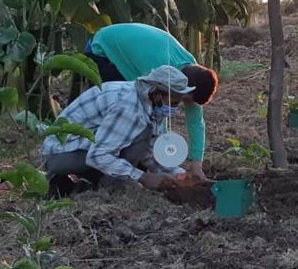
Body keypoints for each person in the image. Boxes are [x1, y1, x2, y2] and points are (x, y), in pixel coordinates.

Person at [84, 23, 218, 184]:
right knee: (128, 113)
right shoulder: (157, 69)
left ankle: (135, 162)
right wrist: (163, 164)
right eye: (185, 99)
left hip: (138, 46)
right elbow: (154, 115)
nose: (184, 104)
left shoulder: (194, 74)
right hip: (103, 48)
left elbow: (196, 122)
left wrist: (197, 165)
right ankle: (112, 169)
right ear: (183, 87)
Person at [42, 66, 193, 195]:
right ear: (157, 94)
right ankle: (112, 187)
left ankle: (69, 186)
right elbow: (97, 156)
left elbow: (149, 150)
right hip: (61, 154)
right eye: (173, 102)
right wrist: (142, 177)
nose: (174, 108)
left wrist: (179, 175)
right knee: (140, 135)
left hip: (82, 149)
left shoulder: (149, 103)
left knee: (141, 137)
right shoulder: (128, 108)